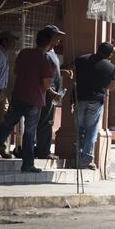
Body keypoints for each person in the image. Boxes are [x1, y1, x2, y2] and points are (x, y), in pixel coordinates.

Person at [0, 29, 54, 173]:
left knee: (6, 125)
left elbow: (16, 71)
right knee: (30, 133)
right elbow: (46, 83)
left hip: (18, 96)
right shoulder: (45, 59)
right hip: (35, 99)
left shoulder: (24, 53)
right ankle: (27, 164)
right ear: (49, 43)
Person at [74, 42, 115, 170]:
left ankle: (77, 157)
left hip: (79, 98)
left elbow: (72, 70)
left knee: (79, 128)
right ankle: (86, 159)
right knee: (91, 130)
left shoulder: (81, 59)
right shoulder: (110, 67)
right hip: (95, 100)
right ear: (109, 54)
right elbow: (112, 87)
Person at [36, 25, 72, 160]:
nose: (59, 40)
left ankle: (42, 149)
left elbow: (51, 71)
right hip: (47, 93)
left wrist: (61, 72)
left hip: (52, 93)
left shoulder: (52, 52)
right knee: (45, 123)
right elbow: (43, 76)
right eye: (57, 37)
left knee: (47, 122)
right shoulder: (44, 53)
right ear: (50, 37)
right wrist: (52, 92)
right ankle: (43, 151)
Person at [0, 31, 19, 158]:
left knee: (4, 121)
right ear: (4, 41)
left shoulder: (4, 54)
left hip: (1, 91)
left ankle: (0, 148)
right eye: (12, 40)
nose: (14, 43)